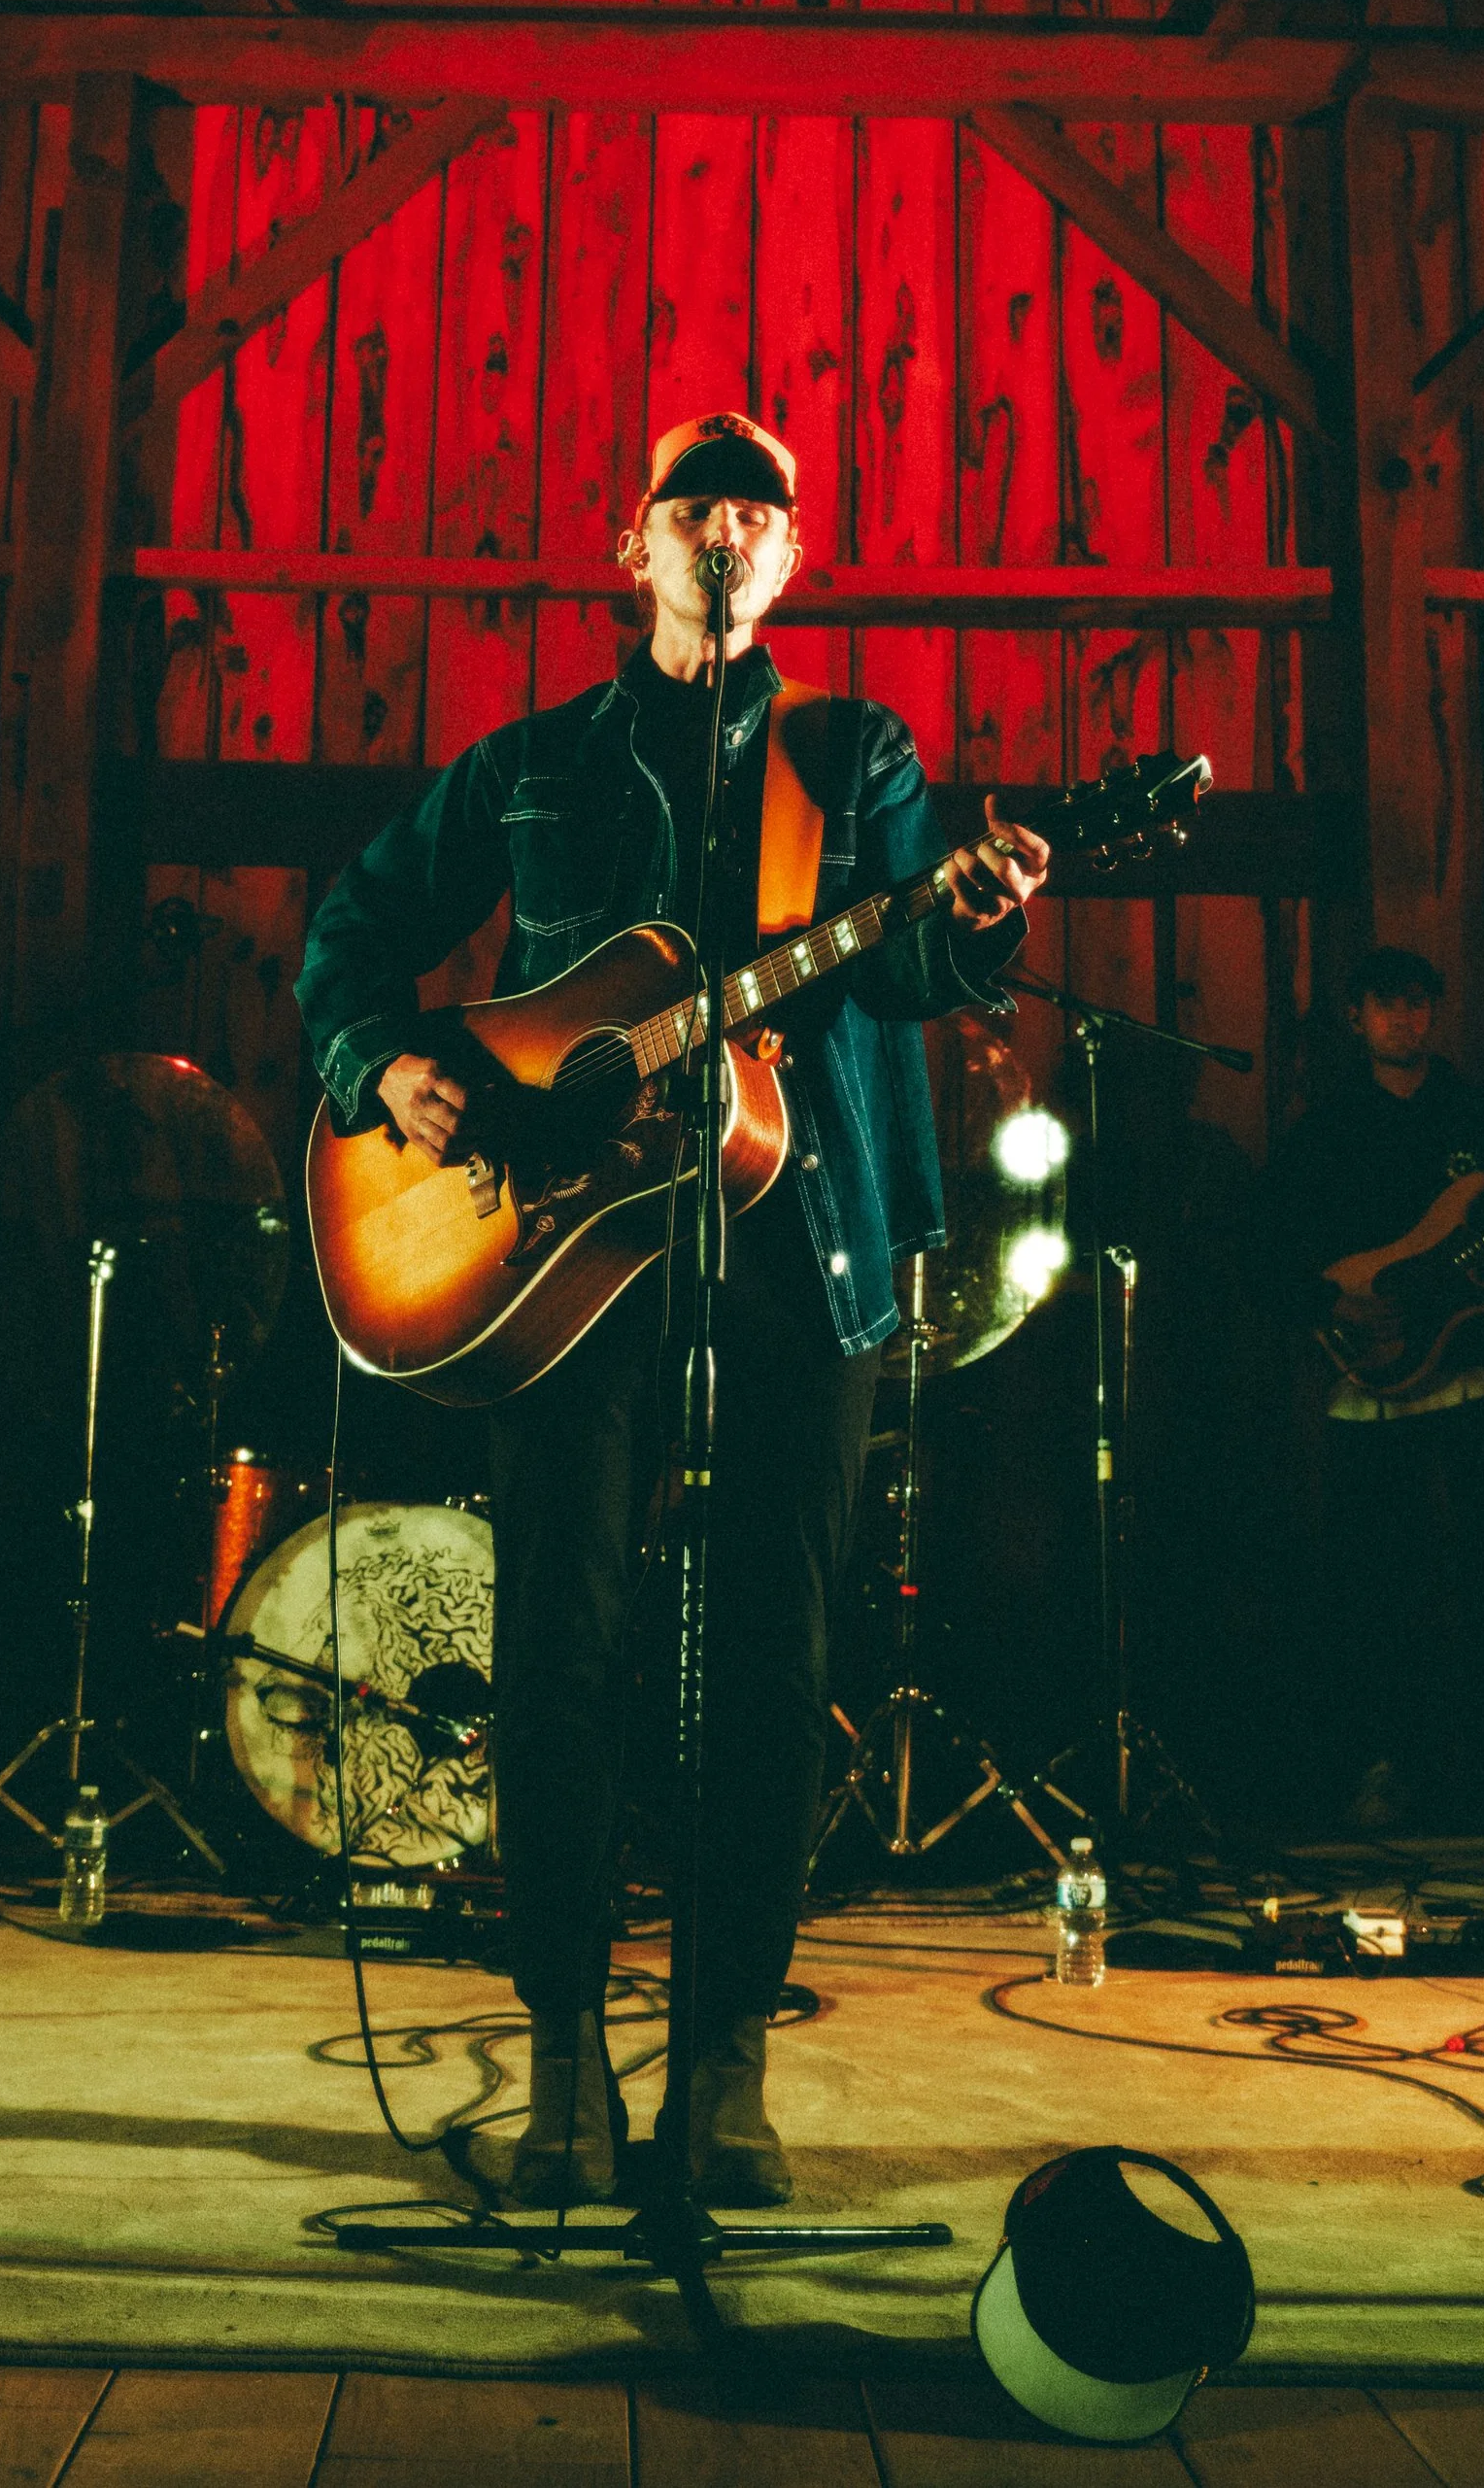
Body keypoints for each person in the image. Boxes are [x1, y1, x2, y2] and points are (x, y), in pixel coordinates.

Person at [296, 407, 1047, 2204]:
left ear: (791, 561)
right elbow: (353, 931)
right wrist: (384, 1069)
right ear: (630, 547)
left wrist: (984, 916)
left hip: (807, 1250)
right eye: (692, 504)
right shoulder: (532, 765)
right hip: (558, 1270)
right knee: (559, 1654)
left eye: (757, 512)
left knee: (775, 1671)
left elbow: (910, 958)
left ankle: (722, 2068)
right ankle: (565, 2066)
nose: (725, 529)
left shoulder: (853, 752)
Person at [1260, 946, 1484, 1833]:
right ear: (1355, 1018)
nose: (1403, 1020)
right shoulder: (1325, 1130)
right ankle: (1381, 1770)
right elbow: (1265, 1251)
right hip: (1369, 1385)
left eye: (1417, 1004)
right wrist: (1333, 1302)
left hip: (1482, 1374)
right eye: (1385, 1006)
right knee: (1372, 1588)